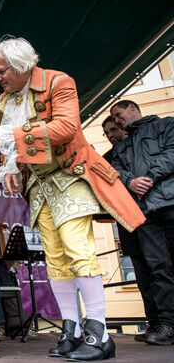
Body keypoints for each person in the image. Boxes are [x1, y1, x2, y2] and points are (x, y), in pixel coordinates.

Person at [0, 37, 145, 361]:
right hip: (39, 184)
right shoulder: (8, 99)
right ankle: (73, 330)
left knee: (77, 249)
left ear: (22, 65)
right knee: (54, 258)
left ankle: (99, 333)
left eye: (1, 72)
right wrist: (10, 166)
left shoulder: (58, 81)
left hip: (71, 177)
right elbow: (12, 141)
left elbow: (66, 127)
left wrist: (10, 136)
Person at [110, 100, 174, 345]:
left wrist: (148, 178)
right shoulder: (121, 147)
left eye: (118, 114)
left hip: (170, 203)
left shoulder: (167, 125)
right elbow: (114, 172)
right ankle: (165, 323)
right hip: (144, 212)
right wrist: (130, 181)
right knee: (157, 269)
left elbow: (172, 153)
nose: (116, 120)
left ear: (133, 108)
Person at [101, 116, 158, 342]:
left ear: (124, 128)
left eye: (113, 130)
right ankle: (154, 322)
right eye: (106, 133)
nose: (110, 135)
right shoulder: (110, 157)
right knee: (142, 274)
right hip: (127, 221)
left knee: (160, 269)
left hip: (151, 216)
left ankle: (166, 321)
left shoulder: (140, 150)